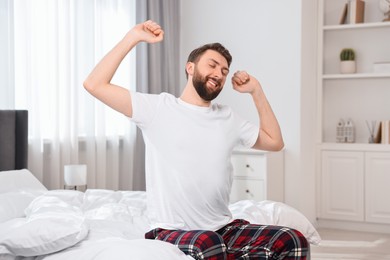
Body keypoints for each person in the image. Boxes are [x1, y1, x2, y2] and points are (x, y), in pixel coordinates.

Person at [84, 20, 308, 260]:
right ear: (190, 67)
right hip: (172, 230)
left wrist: (257, 91)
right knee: (209, 244)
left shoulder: (227, 116)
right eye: (212, 65)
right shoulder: (157, 108)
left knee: (293, 240)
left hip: (223, 228)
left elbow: (275, 142)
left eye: (224, 71)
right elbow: (94, 84)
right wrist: (133, 37)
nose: (219, 74)